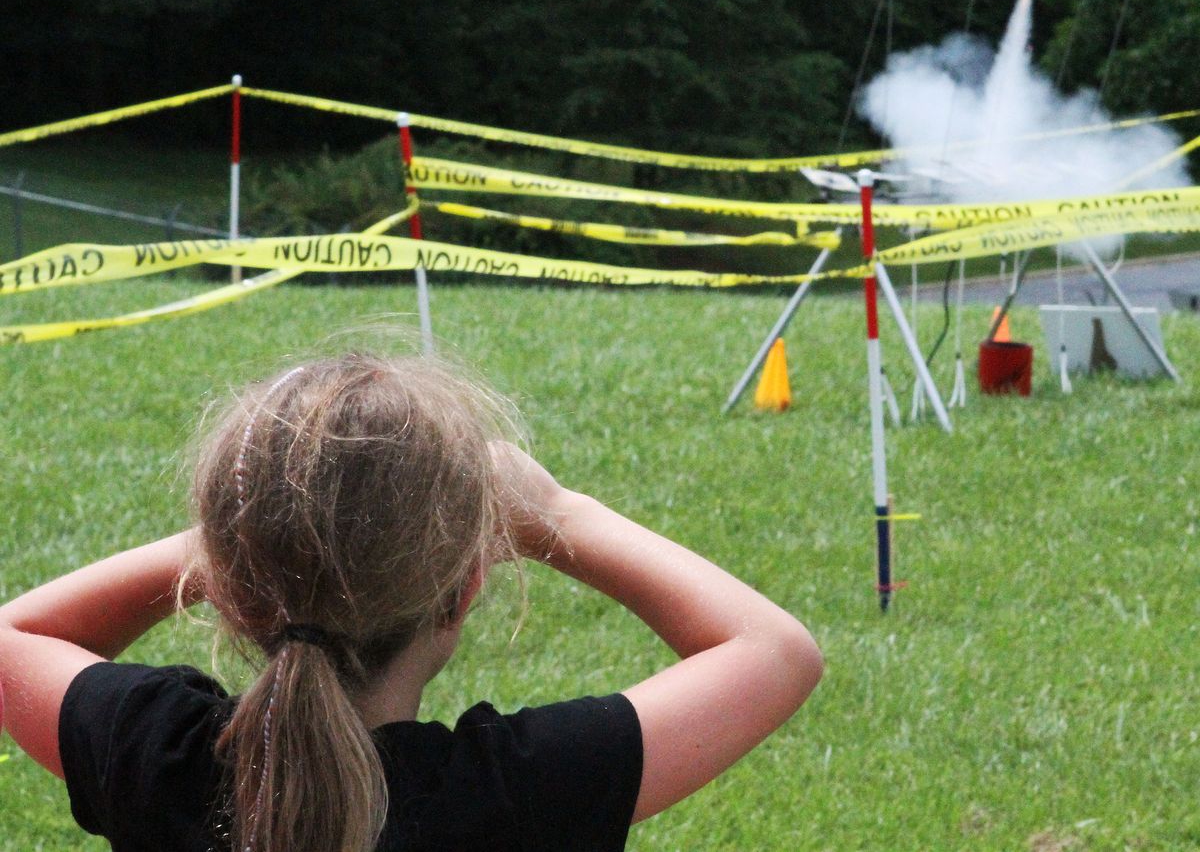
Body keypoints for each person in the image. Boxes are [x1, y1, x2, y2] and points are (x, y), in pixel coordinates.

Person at [0, 352, 822, 852]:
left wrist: (237, 535)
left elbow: (17, 633)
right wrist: (557, 513)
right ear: (462, 591)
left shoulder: (157, 758)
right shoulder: (517, 795)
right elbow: (774, 651)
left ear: (234, 586)